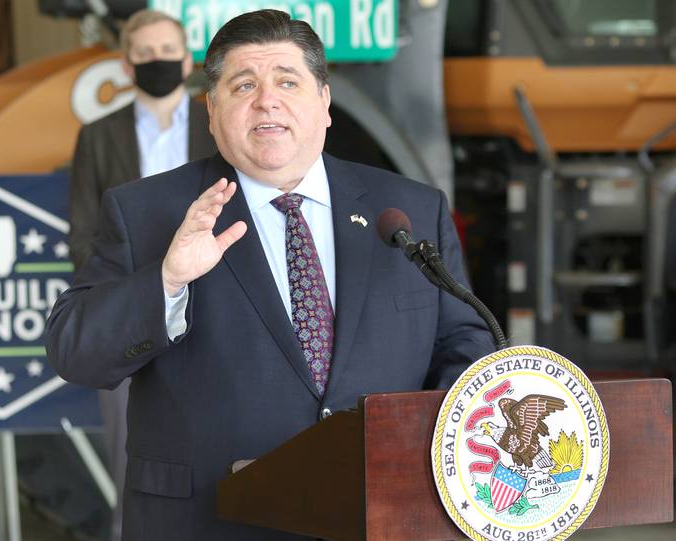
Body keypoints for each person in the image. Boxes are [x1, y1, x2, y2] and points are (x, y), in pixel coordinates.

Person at [47, 9, 494, 540]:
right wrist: (166, 280)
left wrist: (426, 448)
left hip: (381, 514)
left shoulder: (408, 211)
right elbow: (74, 351)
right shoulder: (149, 212)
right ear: (211, 110)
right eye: (243, 85)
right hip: (209, 520)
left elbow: (465, 340)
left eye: (288, 80)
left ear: (324, 103)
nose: (267, 100)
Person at [66, 9, 215, 541]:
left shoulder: (214, 124)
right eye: (145, 54)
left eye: (166, 51)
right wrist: (125, 295)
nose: (158, 62)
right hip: (130, 310)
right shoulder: (99, 135)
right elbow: (82, 232)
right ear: (127, 65)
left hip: (213, 307)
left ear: (188, 59)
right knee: (130, 457)